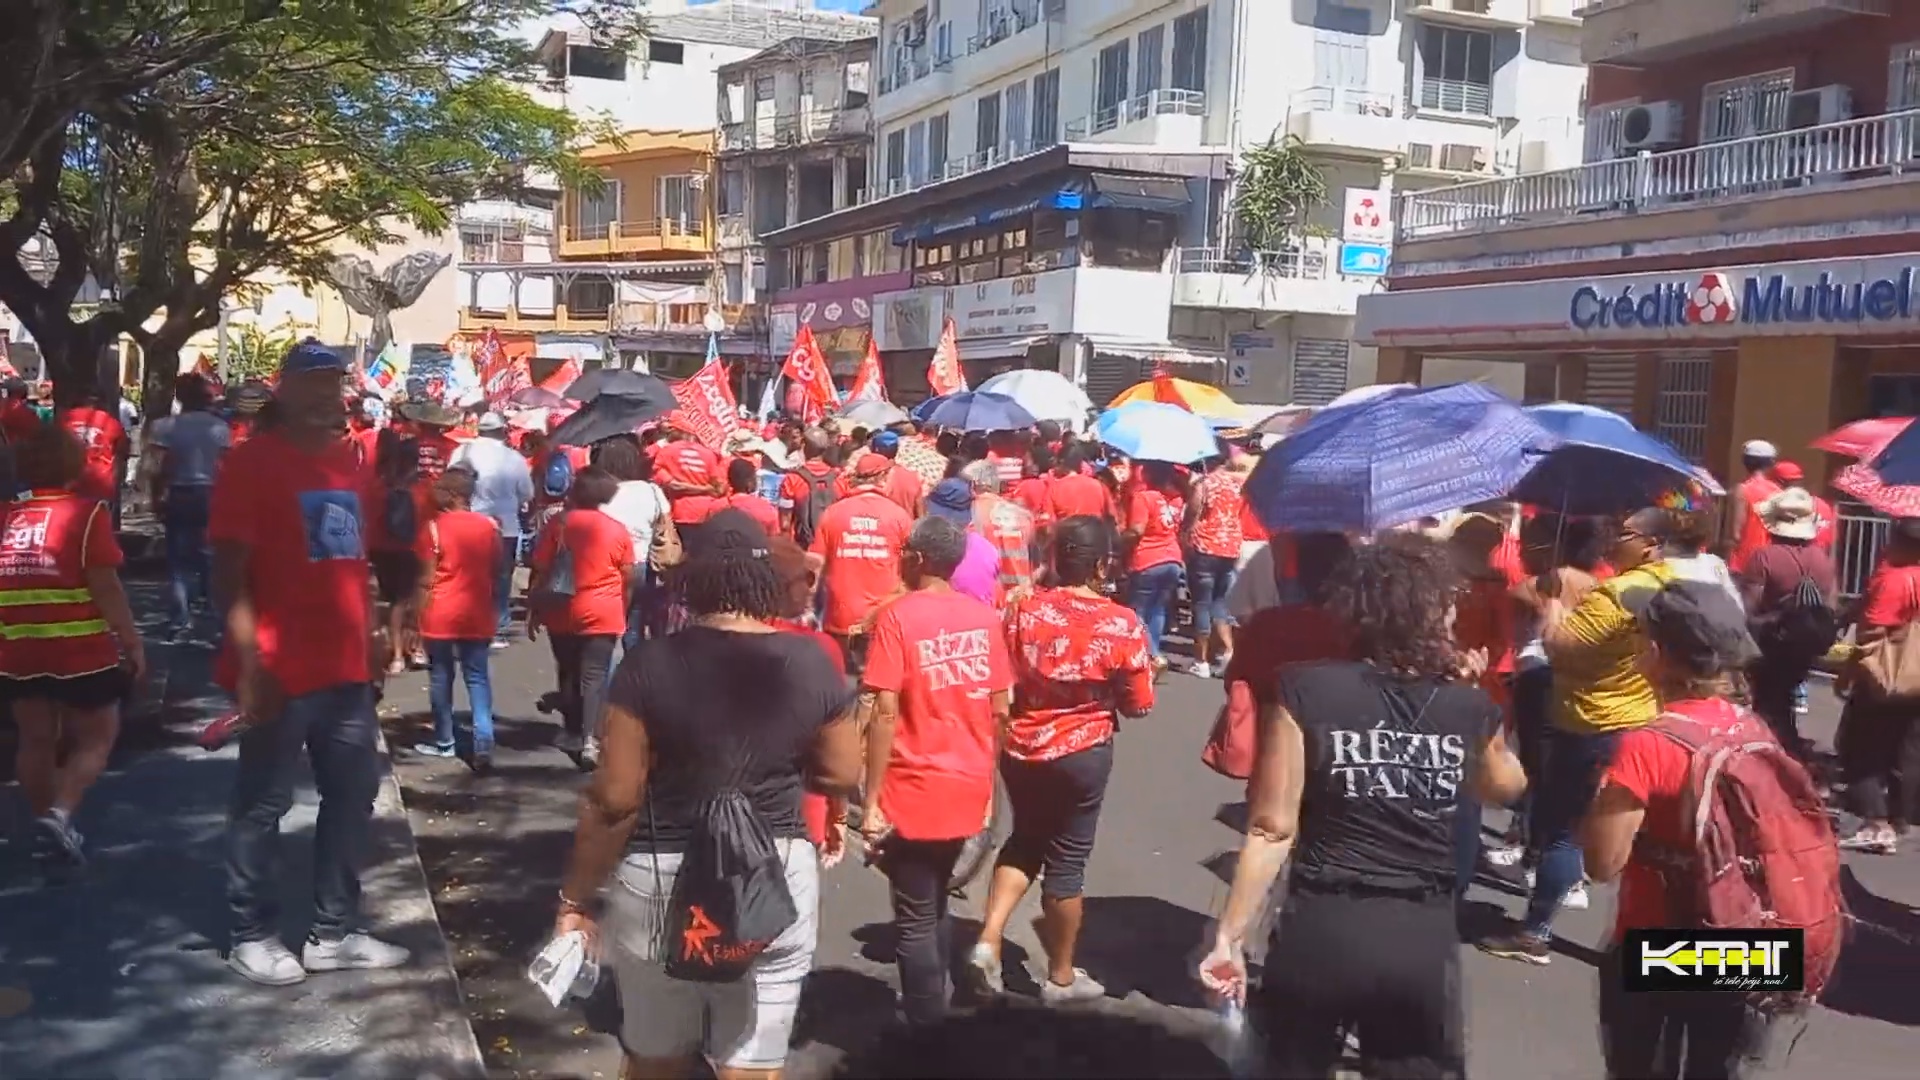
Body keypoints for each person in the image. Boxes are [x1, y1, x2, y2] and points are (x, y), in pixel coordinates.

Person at [1199, 533, 1526, 1077]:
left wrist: (1229, 935)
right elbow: (1504, 788)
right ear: (1432, 611)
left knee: (1292, 1065)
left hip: (1324, 919)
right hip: (1419, 930)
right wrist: (1484, 705)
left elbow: (1272, 828)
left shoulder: (1305, 688)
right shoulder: (1466, 705)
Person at [551, 510, 861, 1080]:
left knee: (656, 1054)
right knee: (753, 1056)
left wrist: (575, 897)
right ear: (765, 582)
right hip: (773, 874)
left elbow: (614, 799)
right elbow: (843, 776)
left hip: (659, 871)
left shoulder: (649, 664)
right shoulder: (813, 661)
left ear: (691, 581)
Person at [214, 341, 404, 986]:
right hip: (277, 666)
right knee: (262, 805)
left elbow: (361, 562)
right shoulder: (250, 465)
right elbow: (230, 574)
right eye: (315, 382)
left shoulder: (354, 463)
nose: (330, 394)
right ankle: (251, 933)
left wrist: (378, 631)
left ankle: (335, 932)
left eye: (336, 382)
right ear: (284, 391)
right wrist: (248, 663)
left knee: (352, 797)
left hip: (346, 667)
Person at [1581, 580, 1816, 1079]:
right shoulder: (1755, 728)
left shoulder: (1648, 744)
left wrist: (1600, 796)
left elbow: (1601, 864)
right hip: (1753, 936)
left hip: (1664, 937)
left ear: (1657, 653)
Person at [1481, 506, 1678, 965]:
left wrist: (1552, 610)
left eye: (1624, 533)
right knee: (1635, 839)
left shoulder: (1618, 594)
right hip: (1642, 716)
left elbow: (1561, 651)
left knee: (1562, 832)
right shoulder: (1667, 582)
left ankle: (1535, 933)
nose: (1613, 539)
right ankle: (1657, 951)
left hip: (1593, 722)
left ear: (1649, 543)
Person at [969, 516, 1153, 1003]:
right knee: (1067, 861)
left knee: (1026, 838)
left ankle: (987, 940)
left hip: (1022, 745)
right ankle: (1062, 976)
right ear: (1100, 565)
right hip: (1083, 750)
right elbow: (1139, 704)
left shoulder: (1022, 608)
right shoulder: (1121, 622)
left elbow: (998, 671)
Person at [859, 516, 1014, 1025]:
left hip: (912, 786)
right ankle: (938, 1004)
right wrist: (988, 786)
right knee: (935, 900)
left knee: (914, 917)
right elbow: (999, 710)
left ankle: (927, 1029)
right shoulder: (984, 618)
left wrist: (871, 797)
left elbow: (883, 710)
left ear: (919, 560)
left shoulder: (898, 618)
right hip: (967, 782)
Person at [1, 424, 145, 870]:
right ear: (74, 465)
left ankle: (48, 822)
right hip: (80, 650)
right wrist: (131, 640)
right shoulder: (87, 515)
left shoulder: (5, 515)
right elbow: (106, 586)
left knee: (35, 739)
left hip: (17, 648)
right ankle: (62, 815)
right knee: (98, 735)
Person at [528, 465, 635, 769]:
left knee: (568, 670)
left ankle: (573, 730)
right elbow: (627, 576)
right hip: (602, 612)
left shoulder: (558, 525)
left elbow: (541, 570)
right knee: (594, 678)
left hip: (561, 609)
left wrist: (535, 608)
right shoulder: (617, 529)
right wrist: (621, 608)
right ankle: (591, 741)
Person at [1836, 516, 1920, 854]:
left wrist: (1850, 671)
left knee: (1861, 747)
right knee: (1909, 750)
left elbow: (1872, 634)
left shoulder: (1895, 579)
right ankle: (1900, 818)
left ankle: (1875, 824)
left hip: (1886, 678)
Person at [412, 466, 501, 772]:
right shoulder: (489, 527)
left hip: (440, 613)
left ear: (450, 495)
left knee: (440, 677)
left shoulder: (433, 529)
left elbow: (425, 580)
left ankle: (445, 740)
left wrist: (416, 617)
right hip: (477, 611)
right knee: (477, 677)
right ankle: (484, 740)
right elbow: (499, 568)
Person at [1739, 488, 1838, 757]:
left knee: (1768, 703)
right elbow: (1831, 603)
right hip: (1806, 643)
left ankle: (1773, 756)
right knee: (1784, 701)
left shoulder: (1764, 557)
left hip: (1772, 642)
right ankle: (1789, 748)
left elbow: (1749, 607)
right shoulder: (1823, 559)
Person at [807, 451, 914, 674]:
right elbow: (911, 573)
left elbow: (815, 565)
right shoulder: (899, 517)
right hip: (883, 620)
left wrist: (807, 608)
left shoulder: (833, 514)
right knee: (876, 689)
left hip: (840, 617)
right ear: (883, 477)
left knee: (841, 685)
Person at [146, 373, 232, 638]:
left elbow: (157, 467)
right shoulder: (220, 428)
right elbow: (226, 467)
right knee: (210, 555)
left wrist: (156, 496)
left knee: (177, 559)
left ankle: (180, 619)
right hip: (211, 493)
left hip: (179, 492)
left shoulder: (164, 427)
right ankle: (215, 615)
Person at [450, 412, 533, 644]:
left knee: (466, 575)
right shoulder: (513, 458)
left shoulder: (462, 452)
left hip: (467, 523)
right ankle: (496, 628)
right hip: (504, 525)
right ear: (501, 431)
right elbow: (527, 492)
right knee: (501, 577)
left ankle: (467, 624)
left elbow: (451, 483)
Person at [597, 436, 673, 648]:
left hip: (609, 564)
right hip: (643, 563)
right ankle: (633, 675)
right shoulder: (651, 490)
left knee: (607, 629)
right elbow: (665, 523)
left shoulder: (601, 491)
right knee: (635, 626)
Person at [1184, 450, 1250, 678]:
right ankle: (1228, 651)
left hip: (1205, 545)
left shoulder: (1206, 482)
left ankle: (1200, 660)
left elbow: (1193, 511)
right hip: (1230, 546)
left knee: (1202, 603)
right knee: (1221, 601)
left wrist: (1187, 531)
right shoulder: (1237, 485)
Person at [1122, 461, 1186, 671]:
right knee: (1158, 609)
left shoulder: (1143, 497)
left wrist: (1120, 541)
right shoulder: (1176, 499)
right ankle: (1153, 652)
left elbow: (1137, 530)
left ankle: (1153, 655)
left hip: (1148, 558)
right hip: (1173, 558)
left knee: (1137, 611)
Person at [961, 460, 1037, 599]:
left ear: (973, 485)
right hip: (1021, 597)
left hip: (986, 596)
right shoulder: (1024, 516)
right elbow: (1034, 559)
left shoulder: (968, 514)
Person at [650, 429, 728, 550]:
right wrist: (705, 489)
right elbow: (719, 488)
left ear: (678, 431)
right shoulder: (708, 454)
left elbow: (673, 485)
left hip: (680, 513)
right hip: (706, 513)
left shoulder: (667, 452)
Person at [57, 384, 128, 512]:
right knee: (99, 527)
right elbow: (121, 453)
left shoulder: (63, 419)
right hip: (100, 484)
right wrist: (117, 479)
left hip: (68, 484)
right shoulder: (110, 422)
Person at [1726, 440, 1781, 575]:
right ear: (1770, 463)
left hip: (1744, 561)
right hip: (1770, 560)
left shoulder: (1742, 490)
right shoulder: (1778, 492)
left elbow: (1736, 533)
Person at [780, 426, 841, 546]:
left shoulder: (792, 479)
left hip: (803, 546)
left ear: (803, 446)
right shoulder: (839, 478)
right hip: (831, 545)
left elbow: (785, 522)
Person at [723, 456, 780, 532]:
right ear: (749, 483)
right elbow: (773, 540)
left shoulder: (717, 507)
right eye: (755, 477)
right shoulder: (767, 509)